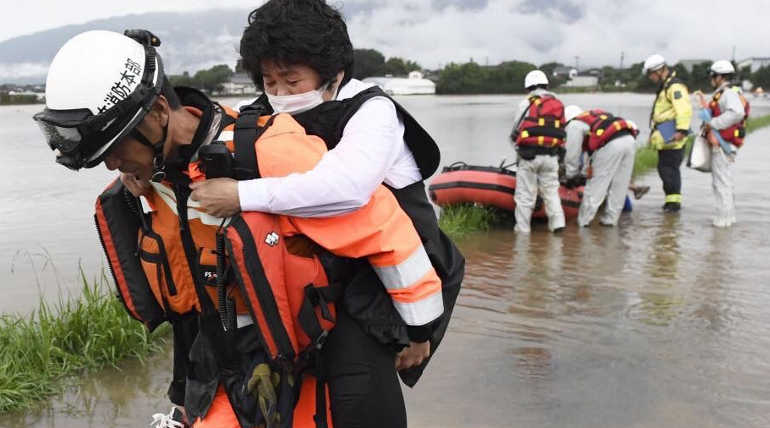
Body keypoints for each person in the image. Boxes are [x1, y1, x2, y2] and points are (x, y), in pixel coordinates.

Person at [34, 29, 448, 428]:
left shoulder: (266, 152)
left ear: (159, 113)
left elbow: (384, 230)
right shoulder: (151, 172)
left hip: (306, 354)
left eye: (116, 149)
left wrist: (418, 329)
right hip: (223, 356)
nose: (111, 165)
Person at [190, 4, 464, 428]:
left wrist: (242, 194)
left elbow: (346, 190)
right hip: (321, 281)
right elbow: (207, 138)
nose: (280, 94)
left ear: (333, 75)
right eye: (269, 81)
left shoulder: (373, 113)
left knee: (360, 402)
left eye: (292, 80)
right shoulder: (263, 111)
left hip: (386, 286)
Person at [508, 69, 566, 233]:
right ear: (546, 85)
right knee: (551, 192)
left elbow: (516, 131)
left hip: (529, 156)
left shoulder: (526, 103)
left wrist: (518, 152)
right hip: (551, 156)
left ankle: (523, 232)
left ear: (528, 87)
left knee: (525, 196)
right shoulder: (557, 103)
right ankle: (558, 225)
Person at [563, 105, 639, 227]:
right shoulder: (595, 118)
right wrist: (583, 173)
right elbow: (591, 154)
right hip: (629, 141)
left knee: (596, 187)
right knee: (619, 185)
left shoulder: (574, 125)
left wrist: (571, 175)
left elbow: (572, 154)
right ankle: (610, 221)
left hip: (610, 144)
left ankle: (583, 223)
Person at [697, 60, 750, 227]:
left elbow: (737, 113)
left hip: (722, 144)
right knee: (723, 182)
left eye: (713, 76)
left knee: (721, 184)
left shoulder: (728, 93)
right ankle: (727, 219)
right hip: (723, 142)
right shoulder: (726, 92)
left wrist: (712, 123)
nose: (711, 79)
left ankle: (722, 222)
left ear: (720, 76)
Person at [643, 54, 693, 212]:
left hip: (673, 133)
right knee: (665, 168)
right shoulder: (666, 86)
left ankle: (673, 205)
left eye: (651, 74)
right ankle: (671, 202)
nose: (650, 78)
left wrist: (682, 131)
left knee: (669, 169)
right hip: (665, 132)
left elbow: (684, 110)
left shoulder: (674, 87)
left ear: (659, 71)